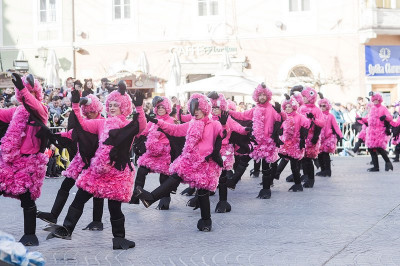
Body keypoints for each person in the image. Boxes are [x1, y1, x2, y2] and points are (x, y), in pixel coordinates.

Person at [45, 82, 146, 250]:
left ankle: (119, 239)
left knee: (114, 207)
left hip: (117, 172)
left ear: (124, 108)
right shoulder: (102, 123)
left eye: (116, 105)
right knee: (79, 198)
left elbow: (141, 126)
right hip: (98, 169)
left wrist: (140, 108)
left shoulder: (127, 124)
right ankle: (67, 229)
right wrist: (76, 106)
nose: (113, 107)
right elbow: (82, 125)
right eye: (110, 105)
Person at [133, 93, 225, 231]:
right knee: (175, 176)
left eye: (199, 109)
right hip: (189, 160)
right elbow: (175, 130)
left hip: (206, 162)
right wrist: (157, 121)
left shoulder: (214, 124)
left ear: (205, 109)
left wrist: (224, 124)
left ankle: (206, 221)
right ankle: (151, 198)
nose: (196, 112)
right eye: (194, 110)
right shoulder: (192, 123)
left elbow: (224, 134)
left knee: (202, 192)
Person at [37, 94, 105, 230]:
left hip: (95, 162)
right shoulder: (84, 122)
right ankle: (53, 214)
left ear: (97, 110)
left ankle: (97, 221)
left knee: (96, 191)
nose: (89, 114)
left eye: (92, 111)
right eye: (87, 111)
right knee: (65, 185)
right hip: (80, 159)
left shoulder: (102, 122)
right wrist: (52, 136)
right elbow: (72, 133)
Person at [0, 73, 49, 246]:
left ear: (36, 93)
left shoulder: (41, 110)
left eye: (30, 91)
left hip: (30, 161)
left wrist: (23, 89)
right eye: (22, 91)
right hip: (11, 160)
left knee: (27, 199)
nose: (25, 94)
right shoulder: (16, 110)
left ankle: (30, 235)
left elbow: (33, 103)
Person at [228, 83, 282, 199]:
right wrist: (229, 112)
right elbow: (242, 115)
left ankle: (266, 190)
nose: (262, 97)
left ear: (268, 96)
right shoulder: (255, 109)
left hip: (268, 142)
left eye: (264, 95)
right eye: (260, 95)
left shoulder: (272, 109)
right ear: (256, 97)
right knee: (244, 159)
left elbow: (282, 119)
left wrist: (280, 112)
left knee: (266, 167)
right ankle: (233, 182)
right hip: (256, 141)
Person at [130, 96, 177, 210]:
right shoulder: (153, 120)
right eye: (158, 107)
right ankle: (136, 195)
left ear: (167, 108)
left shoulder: (171, 120)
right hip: (151, 153)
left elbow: (174, 135)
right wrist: (137, 135)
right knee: (141, 170)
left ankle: (165, 199)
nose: (160, 109)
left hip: (165, 153)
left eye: (162, 107)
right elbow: (145, 131)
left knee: (164, 177)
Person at [274, 94, 309, 191]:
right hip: (284, 144)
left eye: (290, 106)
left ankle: (298, 185)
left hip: (295, 145)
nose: (288, 108)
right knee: (275, 159)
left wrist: (303, 137)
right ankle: (273, 176)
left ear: (293, 107)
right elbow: (279, 126)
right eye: (286, 107)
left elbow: (307, 124)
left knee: (294, 166)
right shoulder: (283, 116)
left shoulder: (299, 117)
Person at [363, 92, 393, 172]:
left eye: (376, 99)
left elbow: (390, 117)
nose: (375, 101)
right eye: (374, 100)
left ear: (379, 100)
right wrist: (362, 119)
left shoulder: (383, 108)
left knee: (380, 148)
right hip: (372, 131)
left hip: (380, 130)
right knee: (371, 148)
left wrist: (385, 116)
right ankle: (376, 167)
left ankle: (388, 162)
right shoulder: (372, 108)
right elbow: (369, 119)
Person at [316, 94, 343, 177]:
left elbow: (336, 126)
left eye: (324, 106)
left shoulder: (331, 116)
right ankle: (322, 170)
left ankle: (328, 171)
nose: (322, 107)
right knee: (319, 154)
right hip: (320, 138)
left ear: (327, 106)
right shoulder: (318, 115)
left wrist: (340, 135)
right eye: (320, 106)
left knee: (325, 155)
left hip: (328, 137)